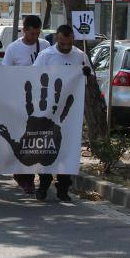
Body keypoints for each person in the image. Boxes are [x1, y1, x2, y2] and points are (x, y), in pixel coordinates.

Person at [32, 24, 91, 202]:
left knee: (68, 148)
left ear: (73, 39)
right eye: (62, 43)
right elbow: (33, 77)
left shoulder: (80, 56)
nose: (65, 47)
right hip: (48, 110)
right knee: (47, 148)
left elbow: (89, 80)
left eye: (69, 44)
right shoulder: (46, 56)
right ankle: (43, 185)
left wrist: (87, 74)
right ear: (56, 39)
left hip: (70, 112)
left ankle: (63, 187)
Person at [3, 15, 50, 195]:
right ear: (24, 30)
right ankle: (24, 177)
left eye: (37, 33)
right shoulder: (13, 48)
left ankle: (31, 175)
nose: (34, 37)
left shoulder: (45, 46)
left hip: (40, 99)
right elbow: (5, 72)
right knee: (24, 137)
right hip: (20, 100)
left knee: (36, 138)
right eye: (31, 34)